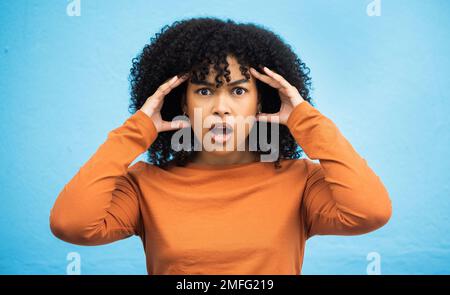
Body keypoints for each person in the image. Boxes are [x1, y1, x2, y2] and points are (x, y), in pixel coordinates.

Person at [49, 17, 392, 274]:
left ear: (261, 104)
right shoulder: (144, 185)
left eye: (239, 91)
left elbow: (369, 212)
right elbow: (72, 224)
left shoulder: (300, 181)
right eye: (204, 91)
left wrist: (305, 119)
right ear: (182, 105)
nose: (221, 107)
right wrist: (136, 131)